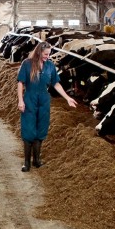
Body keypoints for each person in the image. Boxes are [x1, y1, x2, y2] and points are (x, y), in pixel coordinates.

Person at [17, 42, 78, 172]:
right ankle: (26, 163)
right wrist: (20, 101)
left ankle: (36, 160)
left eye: (49, 54)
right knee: (28, 129)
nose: (48, 57)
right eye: (46, 54)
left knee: (41, 129)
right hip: (30, 99)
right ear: (39, 52)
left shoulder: (50, 66)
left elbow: (56, 84)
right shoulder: (27, 64)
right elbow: (20, 83)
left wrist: (67, 98)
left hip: (44, 100)